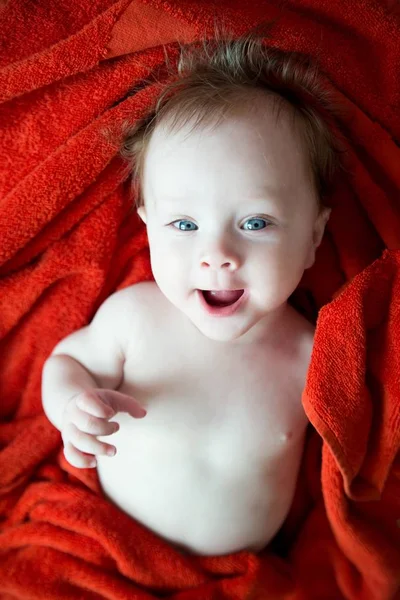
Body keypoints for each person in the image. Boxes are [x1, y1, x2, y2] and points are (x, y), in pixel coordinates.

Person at [41, 26, 347, 557]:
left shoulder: (314, 357)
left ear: (313, 237)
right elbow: (66, 361)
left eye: (255, 222)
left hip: (247, 570)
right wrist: (72, 403)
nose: (217, 253)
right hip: (113, 544)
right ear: (147, 227)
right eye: (184, 225)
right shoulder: (134, 319)